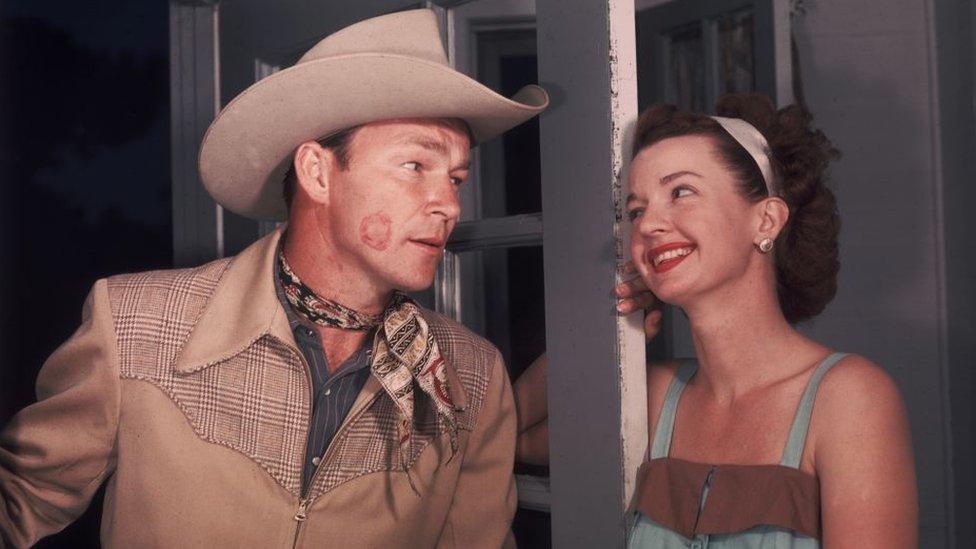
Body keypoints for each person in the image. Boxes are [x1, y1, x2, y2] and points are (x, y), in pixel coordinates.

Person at [0, 9, 549, 548]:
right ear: (317, 172)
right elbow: (19, 504)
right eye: (414, 166)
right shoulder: (134, 324)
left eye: (456, 177)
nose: (448, 204)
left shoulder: (473, 376)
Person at [514, 94, 918, 547]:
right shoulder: (655, 394)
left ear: (765, 219)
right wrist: (605, 334)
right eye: (636, 210)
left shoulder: (848, 398)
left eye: (681, 192)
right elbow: (511, 437)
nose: (648, 225)